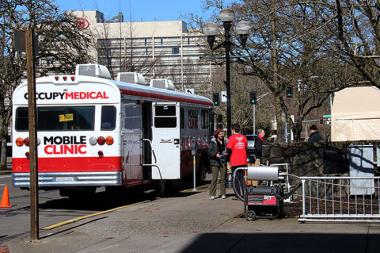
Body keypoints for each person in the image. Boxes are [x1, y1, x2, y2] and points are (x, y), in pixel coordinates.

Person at [226, 124, 248, 198]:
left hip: (235, 161)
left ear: (233, 130)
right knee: (242, 178)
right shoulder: (244, 137)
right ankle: (244, 194)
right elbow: (245, 147)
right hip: (243, 160)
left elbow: (229, 150)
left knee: (235, 179)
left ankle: (238, 194)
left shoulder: (231, 138)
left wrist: (227, 160)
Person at [208, 129, 227, 200]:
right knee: (214, 178)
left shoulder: (225, 141)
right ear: (217, 135)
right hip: (215, 162)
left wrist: (226, 153)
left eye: (222, 134)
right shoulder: (213, 142)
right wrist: (215, 154)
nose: (221, 135)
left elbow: (227, 150)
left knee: (223, 179)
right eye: (220, 134)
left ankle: (223, 193)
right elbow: (209, 152)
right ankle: (212, 194)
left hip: (223, 161)